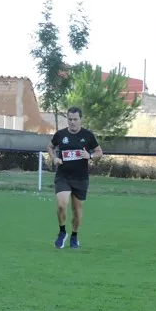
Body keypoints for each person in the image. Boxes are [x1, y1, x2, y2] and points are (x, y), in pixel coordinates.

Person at [47, 106, 103, 249]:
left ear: (80, 119)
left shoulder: (88, 136)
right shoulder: (60, 135)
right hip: (63, 176)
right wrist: (54, 158)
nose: (72, 122)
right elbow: (50, 147)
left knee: (77, 211)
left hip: (80, 178)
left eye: (75, 119)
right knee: (61, 204)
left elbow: (99, 152)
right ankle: (62, 232)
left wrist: (89, 156)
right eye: (70, 119)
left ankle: (74, 236)